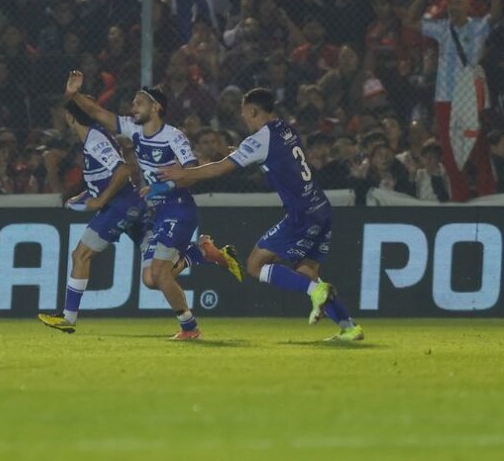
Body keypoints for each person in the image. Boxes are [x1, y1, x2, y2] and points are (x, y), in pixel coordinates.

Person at [159, 88, 365, 342]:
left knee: (255, 265)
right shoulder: (286, 129)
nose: (243, 118)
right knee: (306, 271)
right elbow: (278, 157)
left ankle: (317, 291)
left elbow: (219, 169)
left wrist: (184, 175)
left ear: (253, 111)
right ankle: (349, 326)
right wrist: (244, 152)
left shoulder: (259, 139)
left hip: (301, 214)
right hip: (321, 208)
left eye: (244, 113)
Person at [62, 71, 242, 340]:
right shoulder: (134, 130)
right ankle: (201, 253)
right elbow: (98, 113)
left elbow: (191, 171)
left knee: (158, 272)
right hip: (158, 212)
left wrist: (165, 185)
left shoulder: (174, 137)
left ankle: (190, 328)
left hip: (179, 209)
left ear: (155, 107)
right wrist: (73, 94)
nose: (132, 108)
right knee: (151, 279)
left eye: (138, 103)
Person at [36, 99, 144, 334]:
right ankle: (206, 255)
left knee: (81, 254)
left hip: (119, 206)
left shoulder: (94, 140)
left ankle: (68, 318)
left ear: (70, 117)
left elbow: (123, 171)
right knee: (157, 266)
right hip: (128, 205)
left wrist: (100, 200)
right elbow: (105, 176)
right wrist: (85, 195)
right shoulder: (95, 138)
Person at [404, 0, 501, 201]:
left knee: (478, 148)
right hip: (445, 97)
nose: (453, 6)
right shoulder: (442, 28)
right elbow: (410, 20)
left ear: (468, 5)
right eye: (450, 2)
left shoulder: (478, 26)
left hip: (469, 96)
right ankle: (460, 198)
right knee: (450, 152)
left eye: (458, 2)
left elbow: (496, 15)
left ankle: (487, 196)